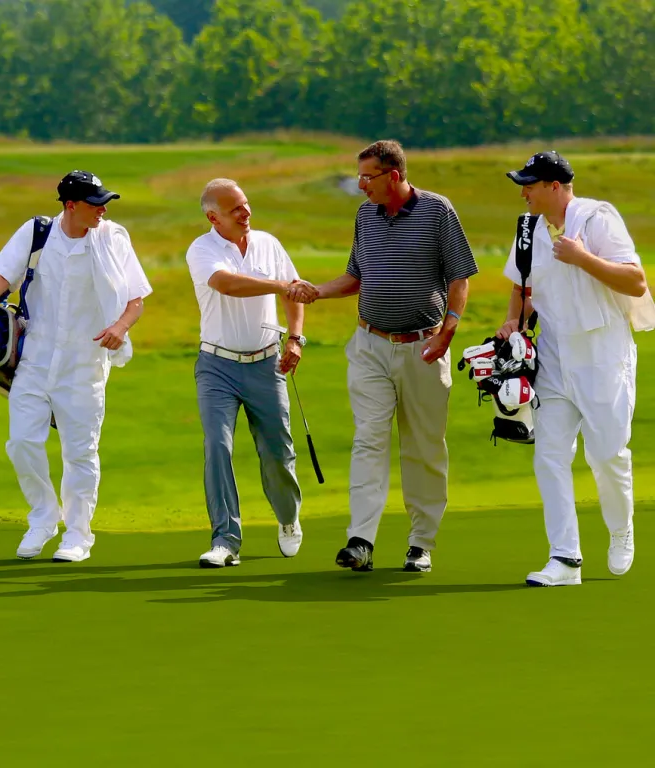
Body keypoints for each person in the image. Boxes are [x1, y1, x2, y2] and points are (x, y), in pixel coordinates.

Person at [289, 140, 477, 573]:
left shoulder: (437, 211)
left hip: (424, 348)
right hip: (369, 345)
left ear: (393, 175)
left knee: (423, 447)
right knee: (369, 439)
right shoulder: (365, 216)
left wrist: (448, 332)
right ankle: (361, 541)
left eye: (367, 177)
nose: (360, 186)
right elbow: (357, 276)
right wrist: (318, 291)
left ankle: (420, 543)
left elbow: (460, 277)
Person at [0, 170, 152, 562]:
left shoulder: (113, 238)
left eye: (104, 203)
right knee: (22, 442)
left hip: (86, 362)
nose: (102, 210)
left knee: (80, 453)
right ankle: (43, 517)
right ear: (71, 205)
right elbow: (2, 279)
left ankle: (77, 536)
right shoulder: (37, 232)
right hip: (36, 358)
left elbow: (136, 298)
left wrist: (119, 327)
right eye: (95, 203)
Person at [497, 150, 652, 586]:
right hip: (554, 356)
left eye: (529, 184)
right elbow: (521, 286)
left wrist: (583, 257)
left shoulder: (597, 219)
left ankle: (621, 529)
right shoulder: (527, 229)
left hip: (604, 354)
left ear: (554, 186)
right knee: (549, 455)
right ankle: (565, 559)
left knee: (606, 455)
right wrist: (514, 319)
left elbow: (636, 281)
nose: (523, 192)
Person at [186, 178, 316, 568]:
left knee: (277, 451)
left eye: (246, 204)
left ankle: (288, 518)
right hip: (216, 366)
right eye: (235, 210)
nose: (246, 213)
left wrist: (295, 339)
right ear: (214, 217)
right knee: (218, 447)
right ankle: (225, 539)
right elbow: (227, 284)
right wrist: (279, 286)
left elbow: (294, 294)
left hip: (266, 363)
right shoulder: (202, 249)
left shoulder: (268, 243)